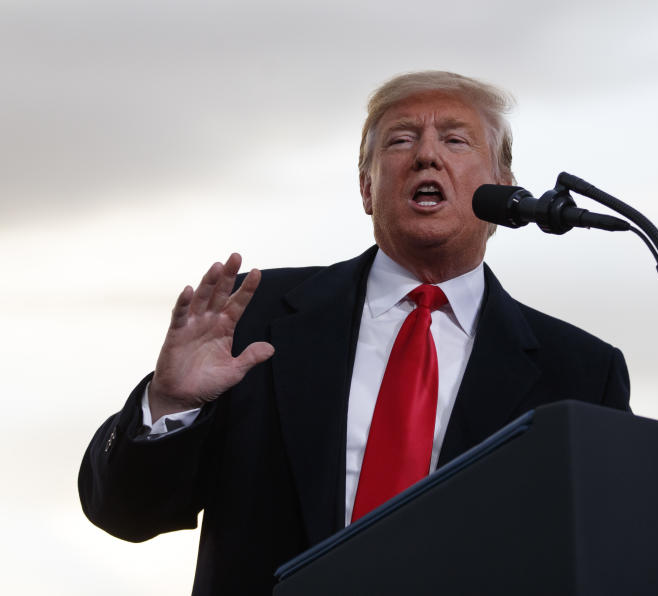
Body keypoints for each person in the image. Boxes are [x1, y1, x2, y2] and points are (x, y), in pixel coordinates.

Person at [79, 71, 630, 595]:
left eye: (457, 140)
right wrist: (172, 401)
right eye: (401, 140)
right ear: (367, 189)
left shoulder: (580, 372)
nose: (426, 155)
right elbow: (127, 513)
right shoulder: (252, 317)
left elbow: (607, 557)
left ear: (504, 188)